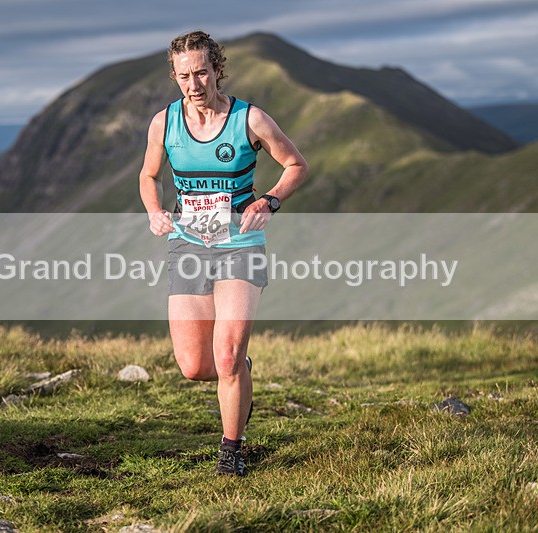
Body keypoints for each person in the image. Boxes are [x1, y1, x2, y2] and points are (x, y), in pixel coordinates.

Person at [139, 30, 308, 476]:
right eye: (183, 76)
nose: (193, 84)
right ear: (174, 77)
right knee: (196, 367)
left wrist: (269, 200)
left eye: (200, 72)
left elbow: (296, 165)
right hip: (190, 242)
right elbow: (149, 175)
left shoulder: (249, 119)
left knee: (226, 356)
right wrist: (155, 211)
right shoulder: (165, 122)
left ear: (217, 69)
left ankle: (232, 451)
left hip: (240, 243)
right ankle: (240, 369)